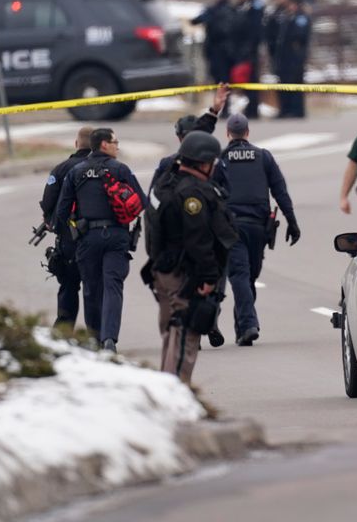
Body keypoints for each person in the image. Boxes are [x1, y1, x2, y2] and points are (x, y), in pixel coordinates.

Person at [145, 131, 238, 382]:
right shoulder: (193, 194)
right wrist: (209, 276)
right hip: (185, 276)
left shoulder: (165, 182)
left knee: (171, 334)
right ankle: (175, 393)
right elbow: (198, 240)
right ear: (204, 163)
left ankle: (167, 387)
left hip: (162, 271)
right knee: (185, 336)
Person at [54, 128, 146, 352]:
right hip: (117, 236)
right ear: (104, 144)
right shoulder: (120, 169)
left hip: (88, 238)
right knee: (113, 286)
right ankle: (110, 339)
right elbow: (141, 200)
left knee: (91, 288)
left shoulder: (76, 172)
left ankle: (94, 337)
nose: (117, 146)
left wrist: (68, 234)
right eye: (115, 142)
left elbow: (62, 211)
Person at [220, 113, 300, 346]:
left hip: (231, 227)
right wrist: (292, 221)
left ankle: (244, 325)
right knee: (246, 275)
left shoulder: (221, 159)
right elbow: (280, 191)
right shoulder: (263, 157)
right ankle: (247, 325)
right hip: (257, 228)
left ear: (227, 133)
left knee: (243, 276)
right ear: (247, 132)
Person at [38, 125, 94, 329]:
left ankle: (64, 329)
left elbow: (48, 201)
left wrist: (50, 221)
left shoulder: (62, 168)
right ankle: (96, 332)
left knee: (69, 285)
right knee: (93, 286)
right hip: (96, 235)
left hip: (69, 237)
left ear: (76, 143)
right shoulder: (105, 166)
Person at [227, 0, 264, 118]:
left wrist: (249, 49)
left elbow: (255, 30)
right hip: (239, 49)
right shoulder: (239, 6)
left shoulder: (255, 6)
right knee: (243, 80)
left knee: (252, 80)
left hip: (250, 50)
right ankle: (250, 108)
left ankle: (253, 109)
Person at [273, 0, 311, 119]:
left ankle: (297, 111)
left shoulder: (301, 18)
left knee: (295, 84)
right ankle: (285, 109)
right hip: (285, 57)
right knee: (284, 83)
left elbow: (299, 36)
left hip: (296, 57)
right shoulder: (288, 17)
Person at [191, 0, 234, 86]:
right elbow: (197, 20)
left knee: (220, 78)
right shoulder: (227, 10)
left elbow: (196, 21)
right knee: (222, 78)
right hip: (219, 49)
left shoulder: (218, 10)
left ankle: (222, 100)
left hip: (220, 49)